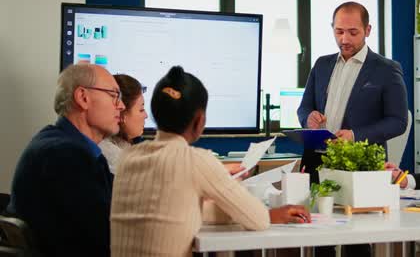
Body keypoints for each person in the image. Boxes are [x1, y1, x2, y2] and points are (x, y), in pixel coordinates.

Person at [110, 66, 310, 257]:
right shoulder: (196, 160)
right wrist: (272, 214)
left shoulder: (129, 157)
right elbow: (257, 219)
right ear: (200, 120)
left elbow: (181, 211)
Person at [8, 63, 125, 257]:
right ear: (83, 98)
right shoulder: (66, 155)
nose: (121, 105)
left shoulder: (62, 144)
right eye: (114, 95)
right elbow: (106, 236)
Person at [297, 1, 408, 183]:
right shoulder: (321, 64)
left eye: (353, 32)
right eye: (339, 32)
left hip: (362, 166)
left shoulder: (387, 69)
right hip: (316, 162)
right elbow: (304, 108)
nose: (345, 39)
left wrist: (354, 135)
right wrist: (308, 117)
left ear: (368, 30)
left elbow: (398, 122)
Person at [98, 74, 147, 174]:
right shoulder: (113, 156)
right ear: (121, 113)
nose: (146, 115)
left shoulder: (122, 146)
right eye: (141, 110)